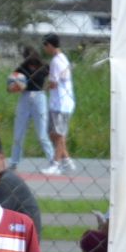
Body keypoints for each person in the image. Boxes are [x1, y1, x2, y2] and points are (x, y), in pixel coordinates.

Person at [8, 46, 51, 168]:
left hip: (39, 97)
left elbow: (54, 78)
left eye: (30, 56)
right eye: (26, 57)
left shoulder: (44, 67)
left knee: (42, 133)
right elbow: (11, 84)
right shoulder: (22, 68)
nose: (28, 59)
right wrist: (15, 87)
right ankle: (15, 161)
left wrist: (47, 88)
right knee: (19, 132)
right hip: (25, 97)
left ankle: (53, 160)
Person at [41, 34, 77, 175]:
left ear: (49, 45)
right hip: (60, 103)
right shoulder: (63, 58)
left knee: (59, 134)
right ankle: (67, 160)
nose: (45, 49)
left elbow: (54, 83)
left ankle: (55, 164)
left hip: (60, 103)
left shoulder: (56, 61)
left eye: (45, 46)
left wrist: (42, 89)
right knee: (53, 133)